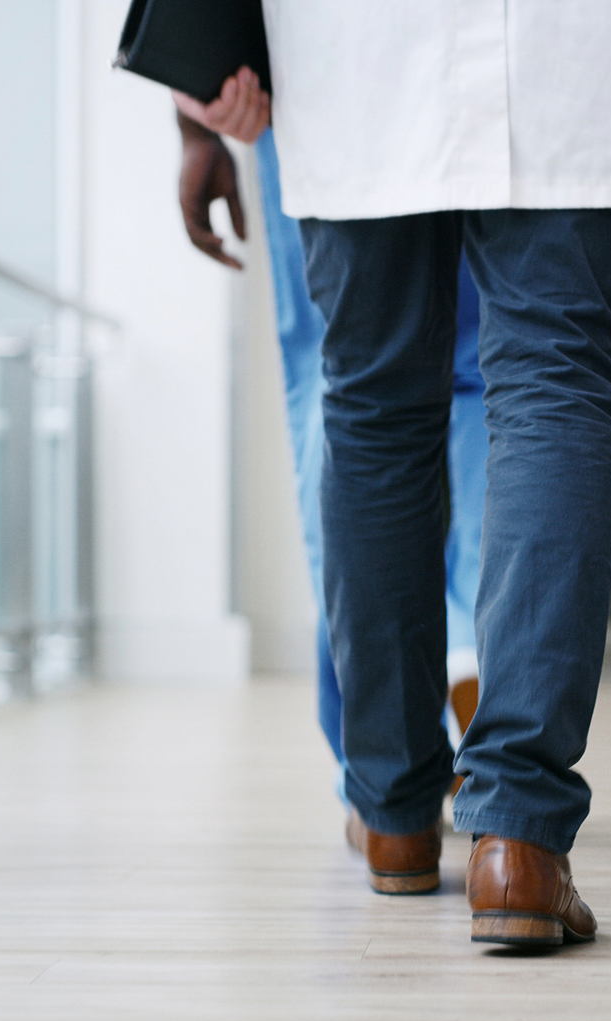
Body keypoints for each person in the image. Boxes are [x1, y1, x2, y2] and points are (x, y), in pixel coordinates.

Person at [255, 0, 611, 949]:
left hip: (357, 43)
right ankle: (518, 838)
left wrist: (199, 64)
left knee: (370, 403)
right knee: (555, 379)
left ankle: (395, 810)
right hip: (581, 36)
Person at [173, 83, 489, 765]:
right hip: (484, 71)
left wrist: (194, 123)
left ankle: (379, 776)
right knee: (490, 375)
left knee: (344, 377)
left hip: (318, 83)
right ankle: (471, 641)